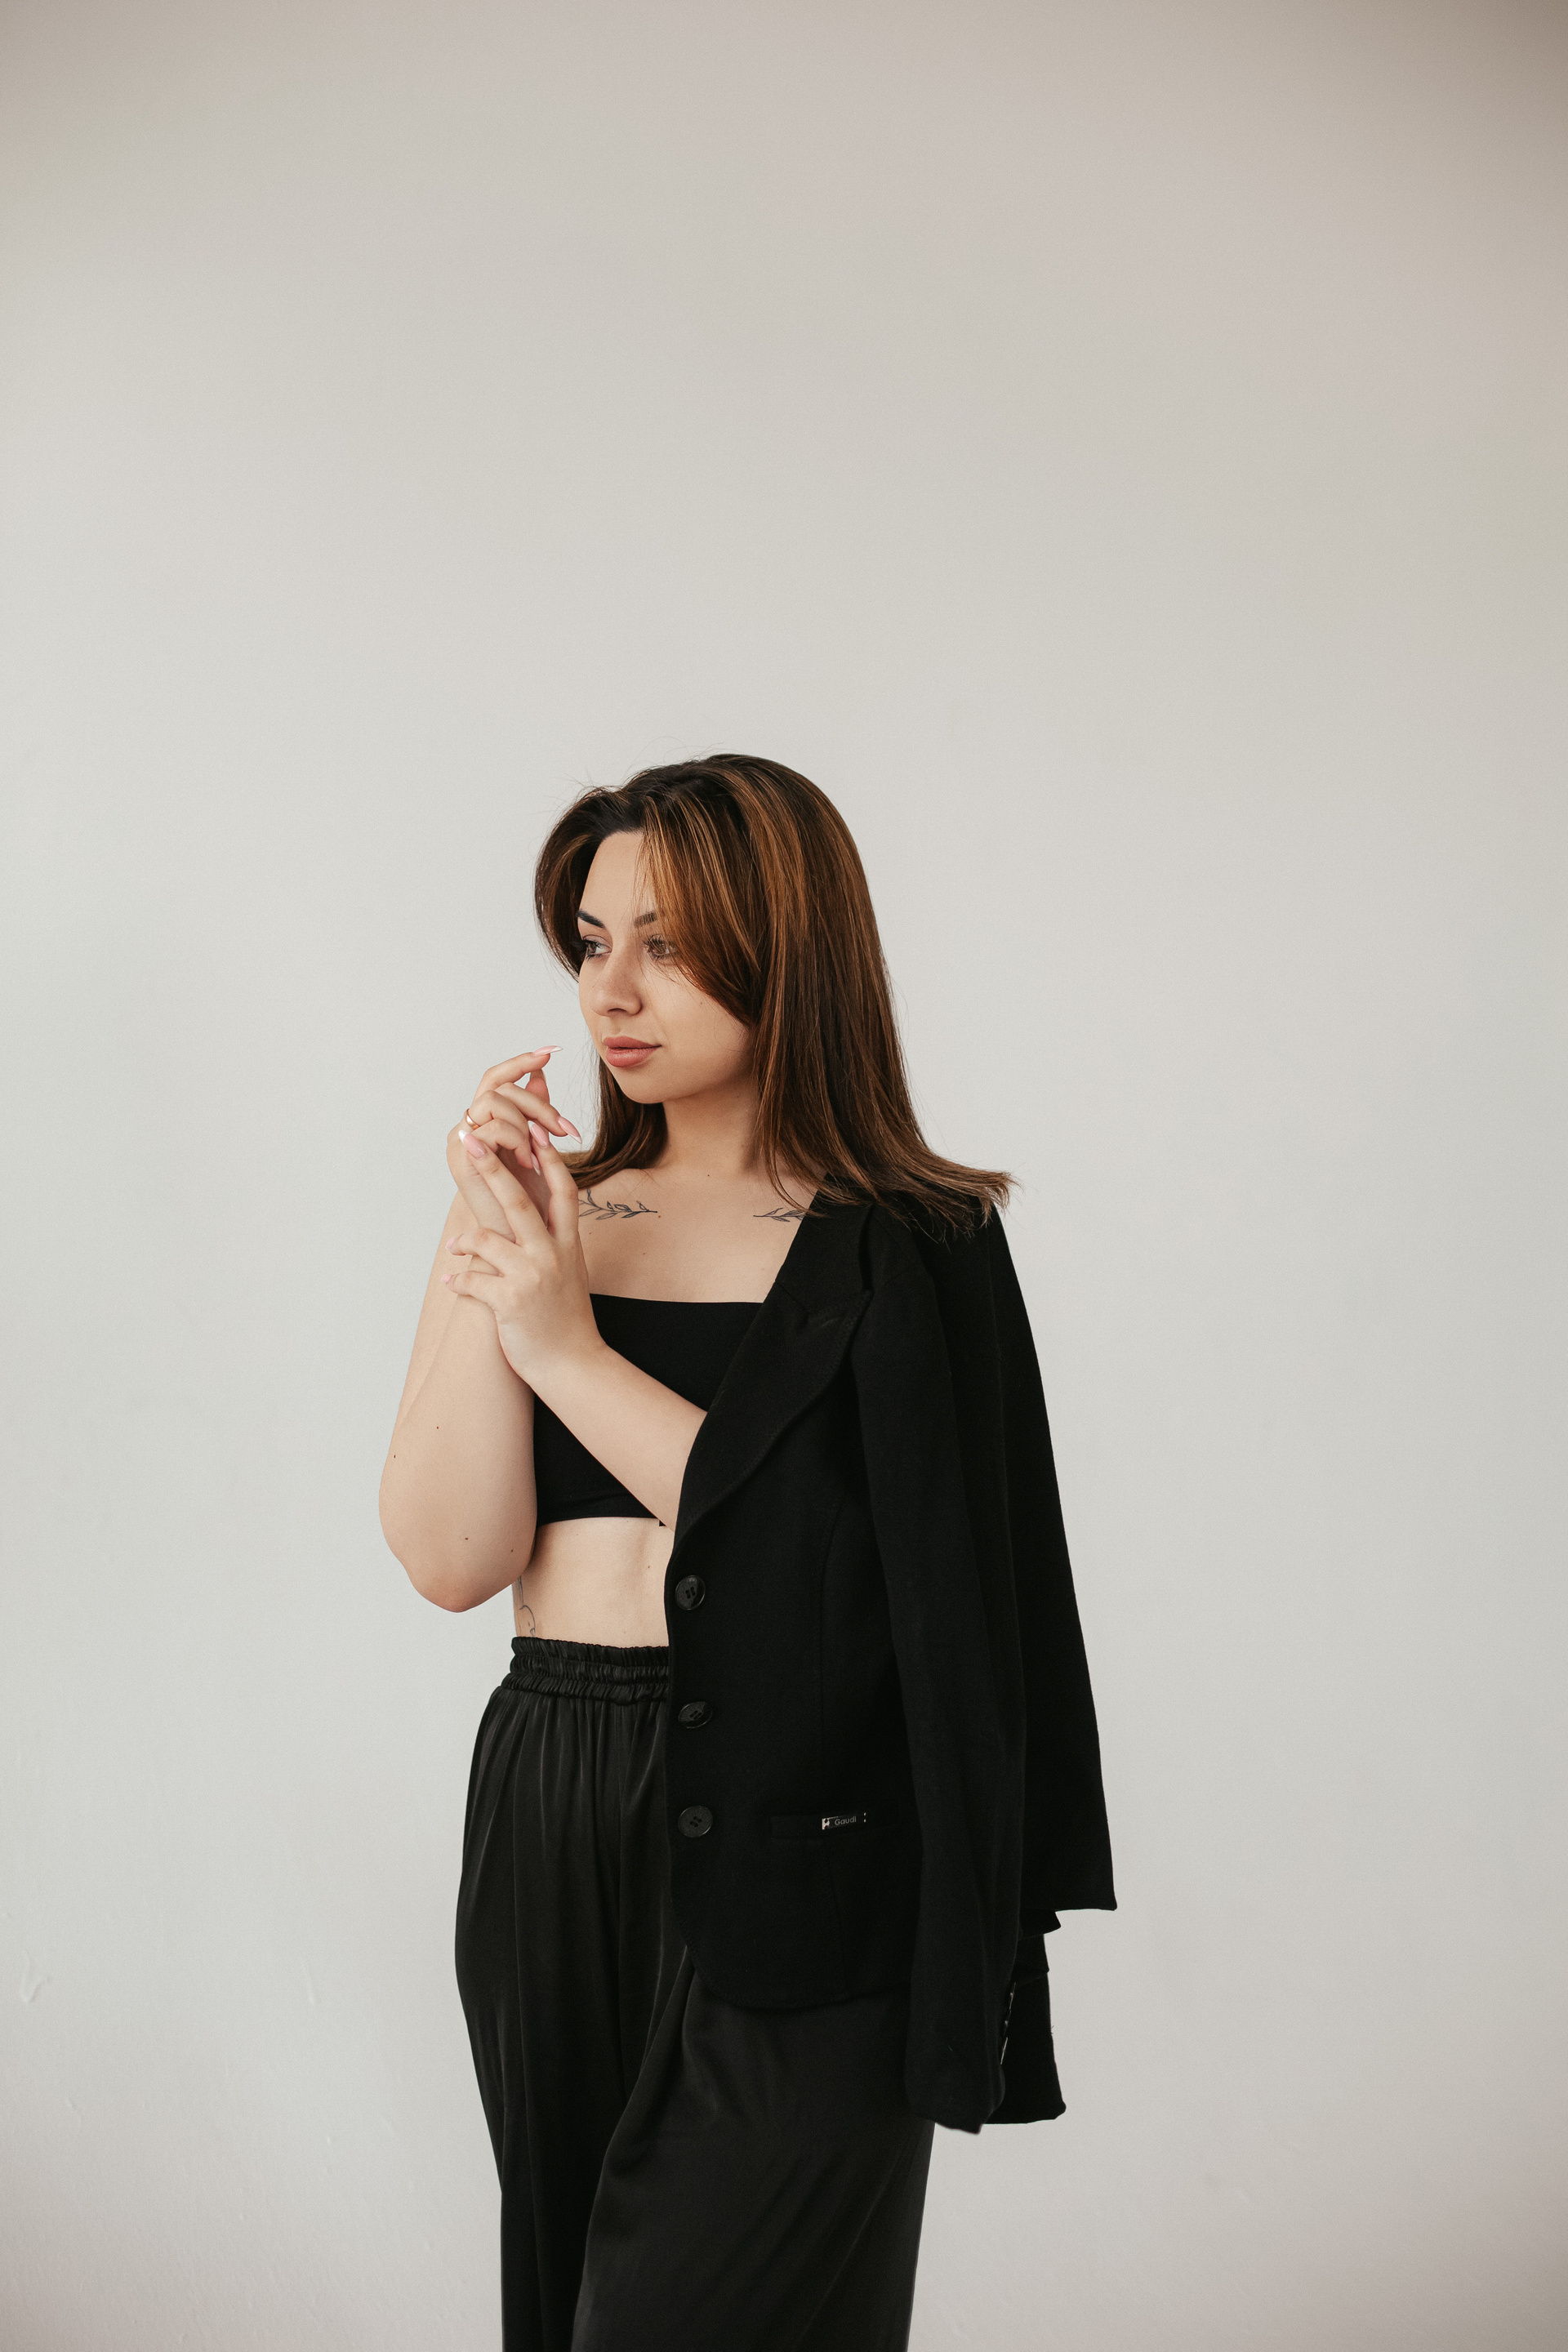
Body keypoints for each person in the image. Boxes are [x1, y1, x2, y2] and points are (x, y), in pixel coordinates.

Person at [379, 755, 1115, 2352]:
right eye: (591, 943)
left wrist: (565, 1350)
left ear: (791, 950)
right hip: (559, 1785)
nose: (612, 992)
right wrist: (487, 1242)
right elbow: (449, 1557)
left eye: (668, 944)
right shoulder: (549, 1217)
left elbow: (835, 1576)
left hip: (821, 1819)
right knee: (571, 2301)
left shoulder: (915, 1243)